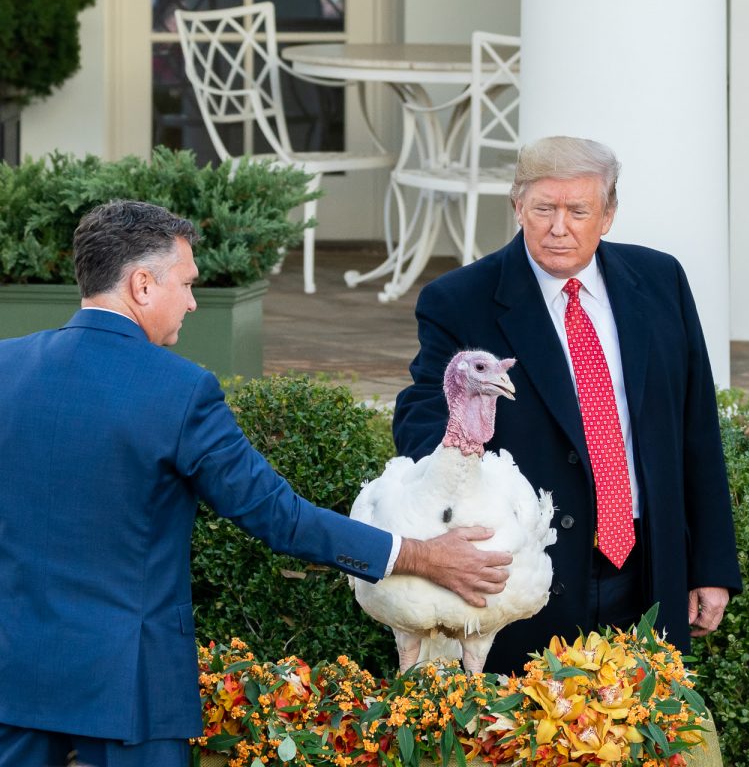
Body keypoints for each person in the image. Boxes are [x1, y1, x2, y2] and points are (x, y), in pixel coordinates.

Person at [0, 200, 512, 767]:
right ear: (142, 285)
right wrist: (420, 555)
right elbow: (279, 517)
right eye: (188, 284)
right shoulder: (180, 390)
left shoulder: (6, 367)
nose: (194, 302)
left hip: (14, 674)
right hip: (130, 685)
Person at [392, 135, 742, 675]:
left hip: (647, 565)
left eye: (578, 210)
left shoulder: (661, 281)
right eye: (544, 209)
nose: (560, 227)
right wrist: (452, 492)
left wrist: (711, 564)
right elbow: (422, 415)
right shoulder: (459, 300)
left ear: (608, 215)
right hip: (527, 576)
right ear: (517, 208)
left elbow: (697, 429)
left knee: (645, 743)